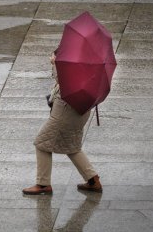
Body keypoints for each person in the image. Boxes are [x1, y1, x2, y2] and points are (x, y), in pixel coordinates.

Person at [22, 52, 102, 195]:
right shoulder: (90, 61)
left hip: (66, 112)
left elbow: (65, 83)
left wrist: (55, 64)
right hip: (79, 111)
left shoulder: (74, 62)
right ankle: (92, 179)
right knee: (72, 146)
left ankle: (42, 184)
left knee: (41, 144)